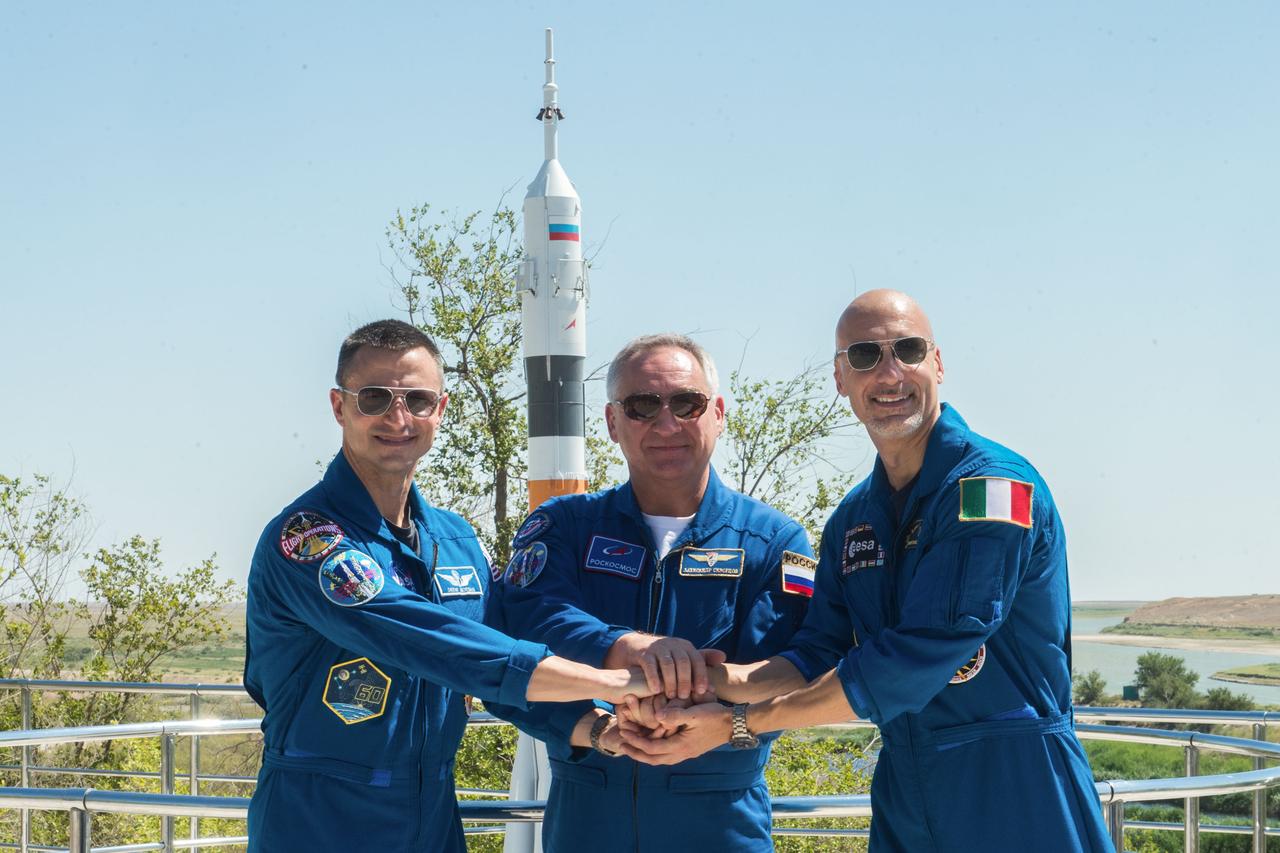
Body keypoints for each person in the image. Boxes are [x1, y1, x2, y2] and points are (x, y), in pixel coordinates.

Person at [620, 292, 1114, 853]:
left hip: (1017, 783)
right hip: (907, 787)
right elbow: (817, 652)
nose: (888, 373)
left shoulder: (990, 490)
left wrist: (740, 725)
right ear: (839, 378)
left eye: (907, 349)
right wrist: (703, 683)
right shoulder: (855, 519)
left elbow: (915, 655)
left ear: (939, 364)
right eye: (863, 356)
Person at [243, 320, 650, 852]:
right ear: (339, 407)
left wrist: (594, 728)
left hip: (431, 821)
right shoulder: (308, 539)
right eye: (374, 398)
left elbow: (492, 659)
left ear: (441, 410)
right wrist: (613, 682)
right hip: (318, 824)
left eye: (417, 399)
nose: (398, 417)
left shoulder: (456, 542)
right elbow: (428, 640)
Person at [490, 334, 815, 852]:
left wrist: (706, 719)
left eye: (687, 403)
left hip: (720, 819)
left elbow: (795, 667)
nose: (667, 424)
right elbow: (518, 633)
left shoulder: (774, 541)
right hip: (588, 816)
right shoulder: (563, 528)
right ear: (612, 422)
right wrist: (606, 691)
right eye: (642, 405)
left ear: (719, 414)